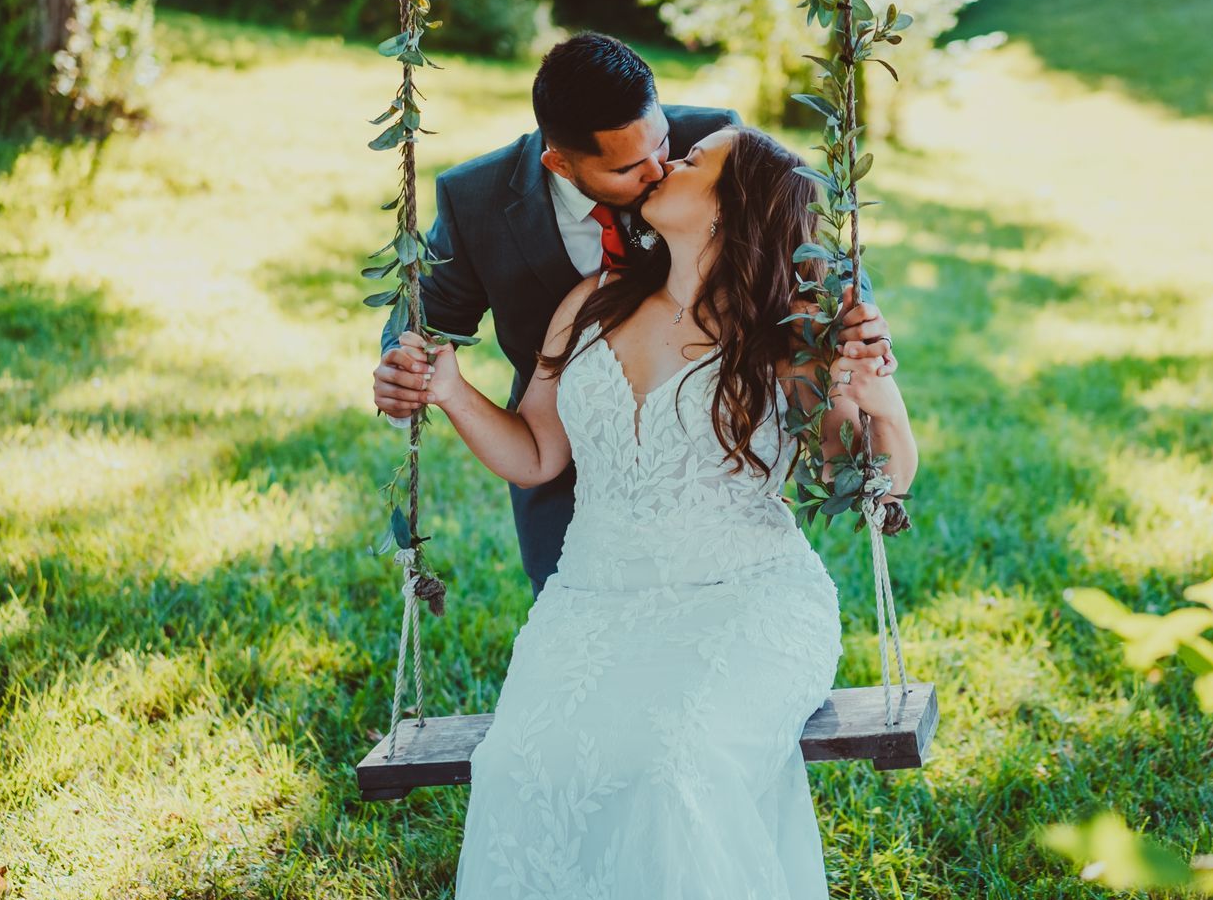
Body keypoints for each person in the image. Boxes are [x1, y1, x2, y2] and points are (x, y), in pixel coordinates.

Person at [403, 124, 918, 900]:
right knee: (522, 768)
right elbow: (536, 456)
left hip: (745, 600)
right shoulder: (591, 305)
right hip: (592, 608)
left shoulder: (787, 332)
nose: (670, 161)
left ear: (731, 207)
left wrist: (869, 391)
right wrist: (450, 392)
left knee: (671, 768)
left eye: (696, 161)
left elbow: (866, 478)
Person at [370, 32, 893, 595]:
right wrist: (410, 379)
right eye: (627, 170)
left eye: (665, 146)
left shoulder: (712, 145)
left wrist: (853, 330)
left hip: (718, 468)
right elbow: (425, 320)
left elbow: (794, 238)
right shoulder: (477, 200)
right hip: (570, 460)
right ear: (561, 164)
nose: (658, 170)